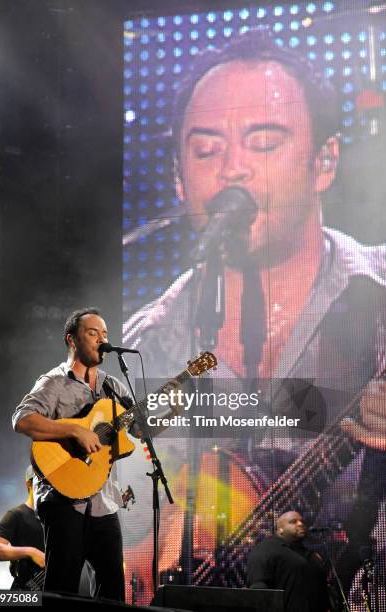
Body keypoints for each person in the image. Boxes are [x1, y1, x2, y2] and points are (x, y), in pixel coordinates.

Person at [122, 32, 386, 604]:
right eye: (207, 150)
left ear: (324, 161)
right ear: (178, 178)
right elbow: (122, 505)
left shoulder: (381, 298)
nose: (232, 171)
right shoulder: (151, 340)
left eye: (263, 143)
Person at [12, 307, 133, 600]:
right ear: (72, 340)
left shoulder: (112, 386)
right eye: (93, 333)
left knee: (113, 591)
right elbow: (22, 419)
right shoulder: (54, 381)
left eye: (105, 334)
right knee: (62, 590)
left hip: (104, 501)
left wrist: (168, 408)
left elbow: (140, 429)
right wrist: (74, 431)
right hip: (63, 500)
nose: (101, 340)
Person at [246, 511, 329, 612]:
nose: (300, 524)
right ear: (280, 529)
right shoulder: (266, 549)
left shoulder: (311, 555)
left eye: (302, 521)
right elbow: (259, 589)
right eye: (293, 522)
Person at [0, 466, 45, 590]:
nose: (48, 486)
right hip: (26, 589)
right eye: (42, 481)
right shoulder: (16, 514)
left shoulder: (54, 518)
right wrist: (31, 552)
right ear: (29, 483)